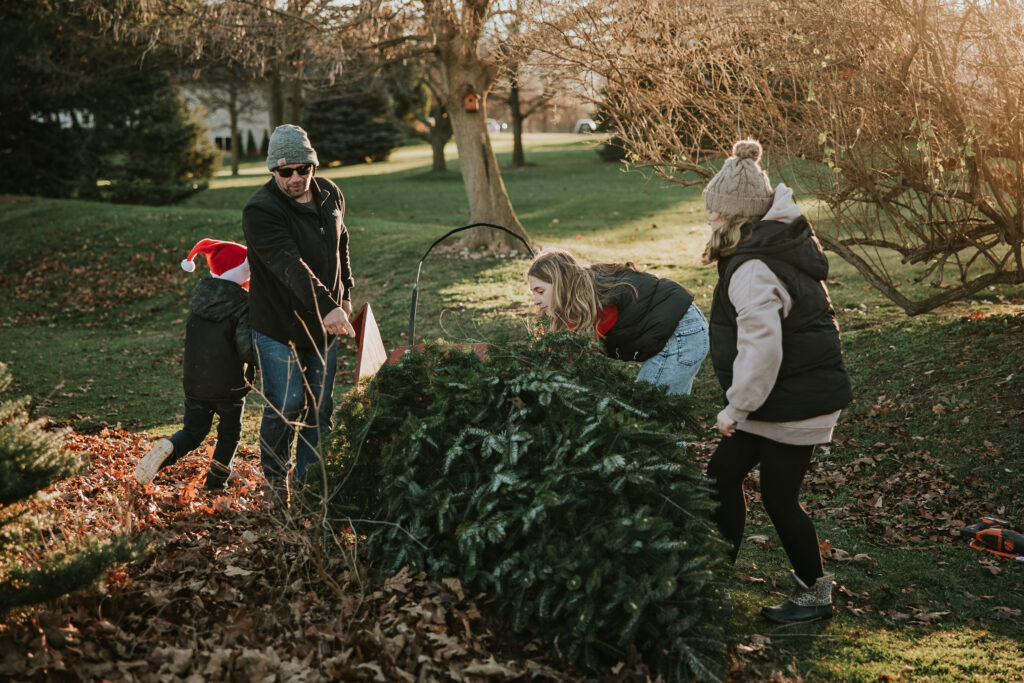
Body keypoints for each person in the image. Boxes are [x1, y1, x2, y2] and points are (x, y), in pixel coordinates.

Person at [701, 139, 853, 623]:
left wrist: (735, 408)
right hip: (781, 395)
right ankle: (711, 580)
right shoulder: (769, 247)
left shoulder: (752, 267)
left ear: (734, 217)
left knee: (779, 497)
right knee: (722, 476)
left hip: (790, 399)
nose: (708, 221)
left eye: (714, 214)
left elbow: (762, 351)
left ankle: (815, 596)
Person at [242, 124, 356, 504]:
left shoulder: (330, 194)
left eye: (302, 169)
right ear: (273, 171)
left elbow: (342, 244)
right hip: (278, 324)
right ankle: (274, 478)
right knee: (288, 402)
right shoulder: (261, 210)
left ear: (312, 165)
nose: (295, 178)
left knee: (321, 408)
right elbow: (289, 264)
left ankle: (308, 482)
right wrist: (328, 306)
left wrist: (347, 294)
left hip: (326, 323)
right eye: (285, 171)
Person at [135, 239, 255, 490]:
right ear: (242, 273)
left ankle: (169, 449)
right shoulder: (242, 304)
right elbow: (246, 349)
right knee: (229, 433)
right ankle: (215, 483)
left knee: (193, 431)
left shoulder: (200, 298)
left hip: (195, 381)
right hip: (229, 384)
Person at [527, 248, 709, 397]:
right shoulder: (582, 290)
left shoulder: (596, 304)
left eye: (540, 291)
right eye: (533, 293)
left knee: (650, 409)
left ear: (560, 284)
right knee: (665, 415)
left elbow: (574, 356)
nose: (535, 300)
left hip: (681, 333)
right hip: (679, 327)